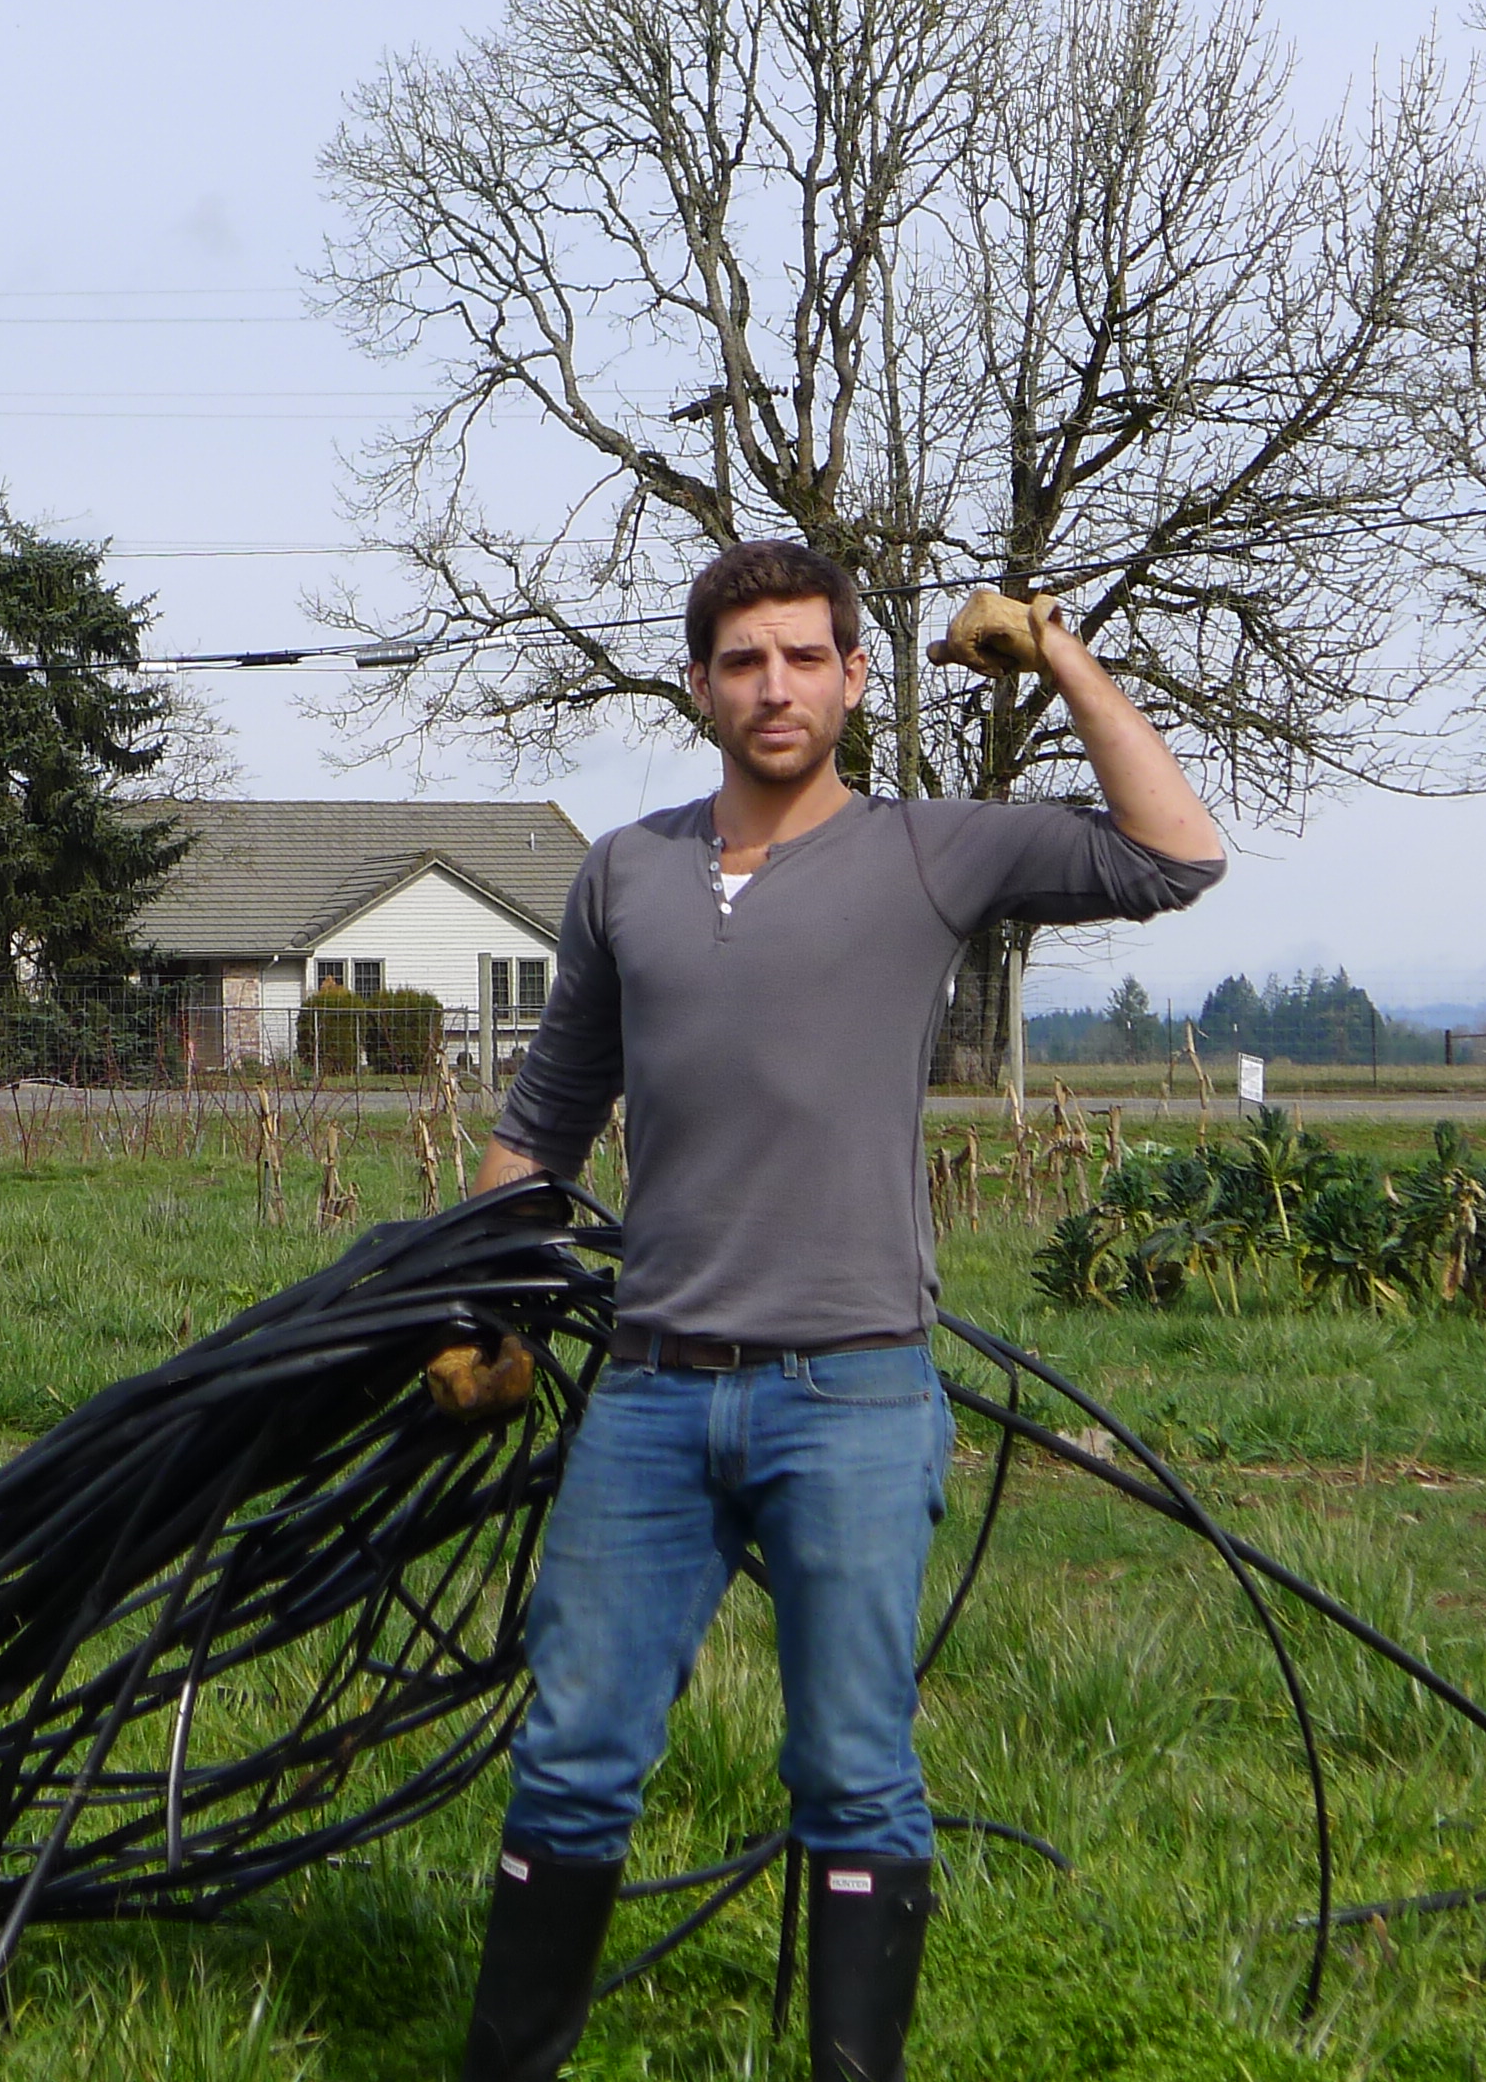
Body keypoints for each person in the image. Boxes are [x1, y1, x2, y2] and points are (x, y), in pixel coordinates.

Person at [457, 538, 1225, 2082]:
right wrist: (474, 1307)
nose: (776, 687)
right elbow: (542, 1125)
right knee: (574, 1752)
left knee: (854, 1767)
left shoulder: (930, 851)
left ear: (857, 679)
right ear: (698, 685)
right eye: (744, 661)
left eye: (806, 657)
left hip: (853, 1395)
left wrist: (1057, 650)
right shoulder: (625, 873)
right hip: (652, 1392)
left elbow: (1173, 853)